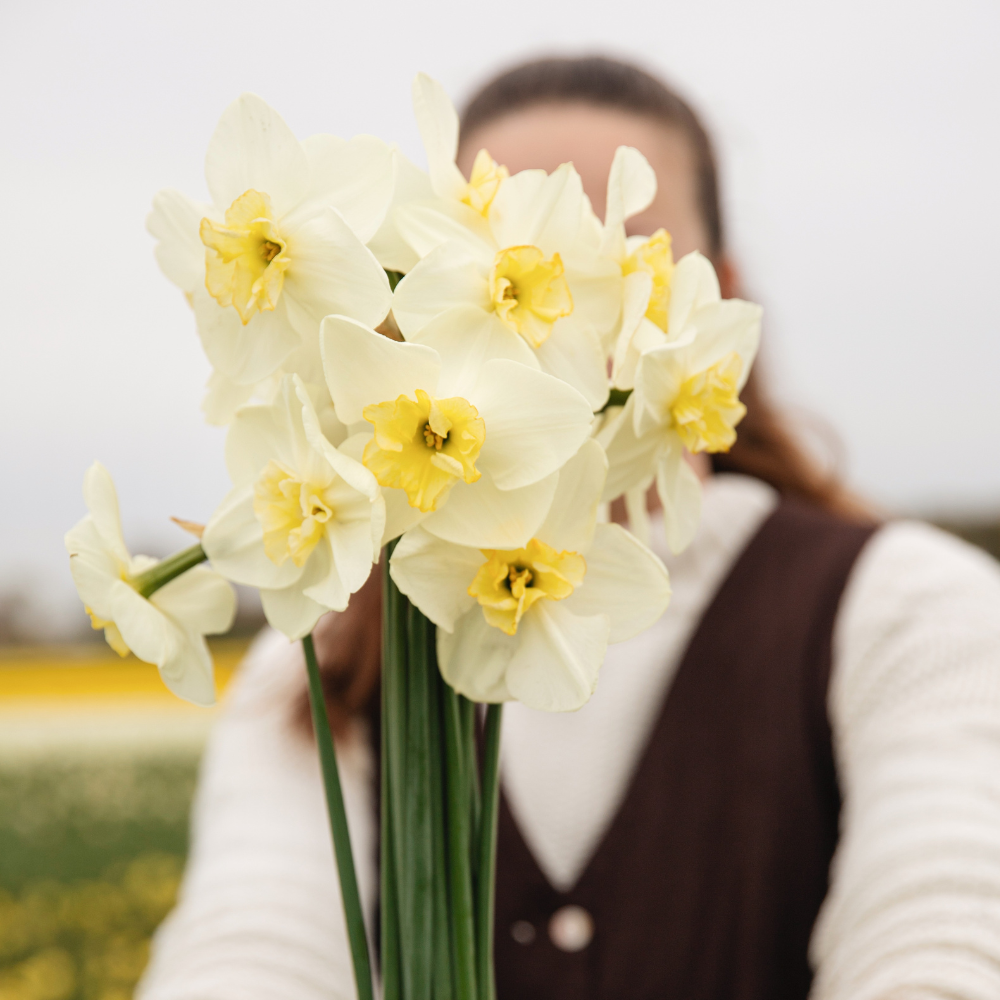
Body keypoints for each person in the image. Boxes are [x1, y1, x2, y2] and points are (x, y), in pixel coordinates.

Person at [137, 56, 1000, 1000]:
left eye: (617, 251)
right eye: (488, 231)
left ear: (711, 299)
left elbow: (951, 927)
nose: (564, 293)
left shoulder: (914, 607)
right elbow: (246, 948)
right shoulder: (323, 652)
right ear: (402, 295)